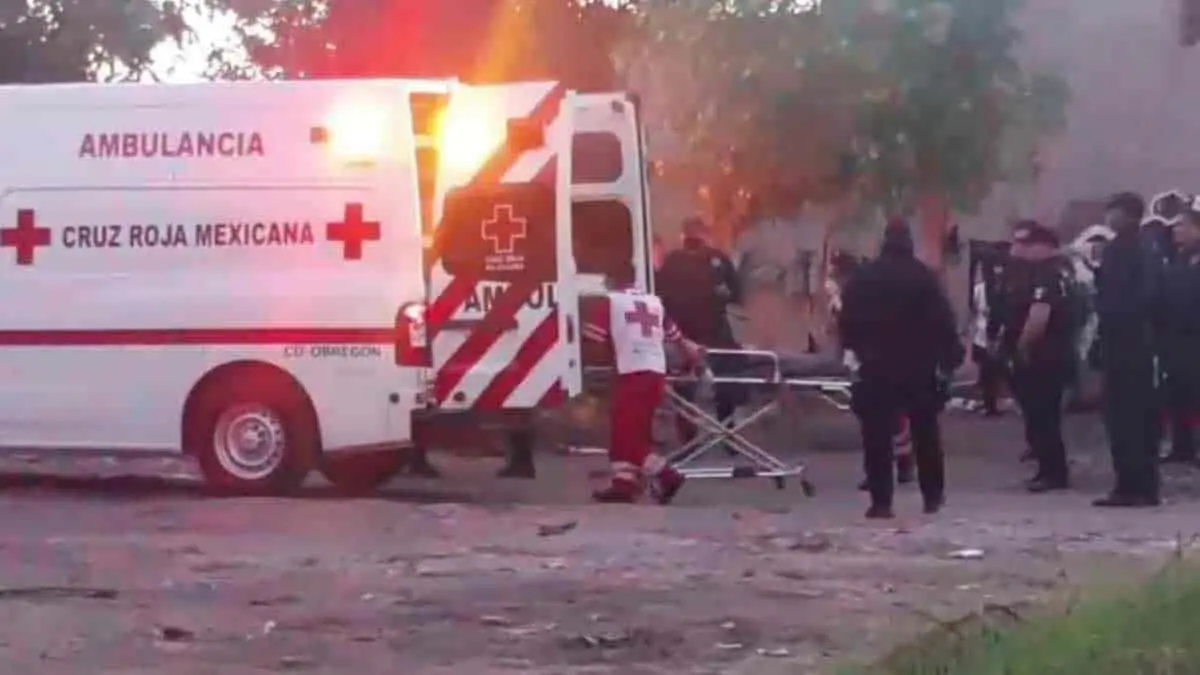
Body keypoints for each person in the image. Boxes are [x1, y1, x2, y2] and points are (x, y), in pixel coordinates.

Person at [839, 219, 963, 519]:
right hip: (919, 365)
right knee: (925, 432)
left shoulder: (863, 278)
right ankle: (932, 495)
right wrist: (949, 359)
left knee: (876, 437)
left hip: (876, 364)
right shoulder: (924, 278)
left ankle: (881, 501)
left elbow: (847, 320)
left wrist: (856, 350)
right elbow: (943, 321)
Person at [583, 261, 697, 503]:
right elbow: (676, 336)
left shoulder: (610, 301)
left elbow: (593, 337)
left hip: (631, 373)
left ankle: (666, 474)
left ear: (610, 280)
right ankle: (624, 485)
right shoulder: (654, 302)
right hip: (655, 372)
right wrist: (691, 354)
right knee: (631, 431)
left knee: (627, 437)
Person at [1090, 192, 1163, 507]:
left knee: (1134, 419)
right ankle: (1128, 484)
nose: (1110, 218)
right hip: (1117, 343)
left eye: (1115, 212)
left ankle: (1139, 486)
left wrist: (1116, 315)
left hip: (1134, 346)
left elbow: (1145, 297)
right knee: (1120, 419)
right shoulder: (1116, 250)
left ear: (1131, 215)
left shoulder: (1140, 250)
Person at [657, 216, 745, 447]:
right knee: (725, 375)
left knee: (687, 382)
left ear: (683, 235)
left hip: (686, 332)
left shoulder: (673, 260)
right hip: (709, 330)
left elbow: (659, 295)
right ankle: (726, 428)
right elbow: (737, 293)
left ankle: (692, 434)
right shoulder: (716, 258)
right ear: (704, 234)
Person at [1001, 221, 1073, 492]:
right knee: (1038, 416)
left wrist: (1021, 347)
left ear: (1043, 246)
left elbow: (1038, 317)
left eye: (1025, 244)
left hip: (1042, 356)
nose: (1018, 249)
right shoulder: (1039, 271)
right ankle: (1047, 468)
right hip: (1041, 355)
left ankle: (1054, 472)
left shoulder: (1047, 274)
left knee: (1043, 416)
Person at [1158, 204, 1200, 465]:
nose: (1176, 230)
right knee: (1178, 393)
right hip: (1175, 337)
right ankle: (1181, 446)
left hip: (1195, 335)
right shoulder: (1177, 258)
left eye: (1182, 225)